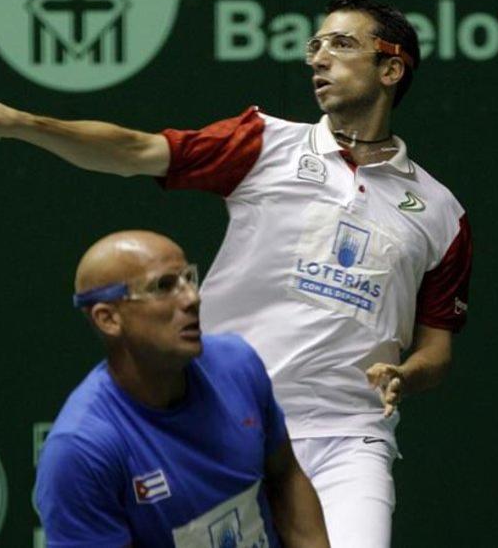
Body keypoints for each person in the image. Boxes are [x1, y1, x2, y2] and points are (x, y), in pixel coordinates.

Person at [0, 0, 473, 547]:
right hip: (230, 418)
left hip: (350, 435)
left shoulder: (442, 213)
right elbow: (134, 150)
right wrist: (18, 123)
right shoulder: (263, 144)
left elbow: (436, 348)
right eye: (315, 46)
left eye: (342, 44)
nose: (319, 59)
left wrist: (406, 374)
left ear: (392, 68)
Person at [35, 230, 329, 547]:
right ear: (108, 319)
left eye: (189, 278)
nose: (192, 298)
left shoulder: (238, 364)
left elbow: (285, 476)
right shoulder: (81, 450)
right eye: (164, 286)